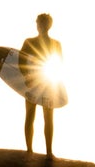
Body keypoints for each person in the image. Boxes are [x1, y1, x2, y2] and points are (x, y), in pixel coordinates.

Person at [19, 12, 63, 157]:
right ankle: (29, 150)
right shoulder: (28, 42)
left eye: (42, 23)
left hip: (47, 82)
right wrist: (27, 77)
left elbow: (59, 65)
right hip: (33, 82)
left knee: (48, 117)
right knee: (30, 116)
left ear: (48, 26)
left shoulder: (56, 44)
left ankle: (49, 152)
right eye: (38, 23)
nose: (40, 26)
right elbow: (20, 62)